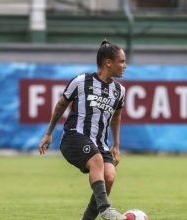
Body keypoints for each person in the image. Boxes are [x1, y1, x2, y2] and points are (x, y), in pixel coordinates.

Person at [38, 40, 127, 220]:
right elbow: (60, 105)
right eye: (122, 61)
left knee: (109, 177)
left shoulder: (119, 90)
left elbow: (116, 117)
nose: (125, 66)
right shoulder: (81, 81)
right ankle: (105, 208)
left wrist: (116, 145)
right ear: (108, 63)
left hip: (100, 143)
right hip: (74, 137)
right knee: (96, 160)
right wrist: (48, 133)